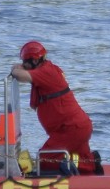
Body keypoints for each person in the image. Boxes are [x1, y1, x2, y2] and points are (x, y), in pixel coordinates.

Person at [10, 41, 100, 176]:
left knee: (44, 160)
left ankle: (86, 166)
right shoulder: (46, 69)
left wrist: (14, 70)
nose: (23, 65)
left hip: (70, 128)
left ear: (34, 61)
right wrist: (20, 67)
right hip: (74, 127)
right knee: (83, 164)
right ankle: (92, 172)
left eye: (25, 62)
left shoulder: (46, 72)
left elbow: (20, 75)